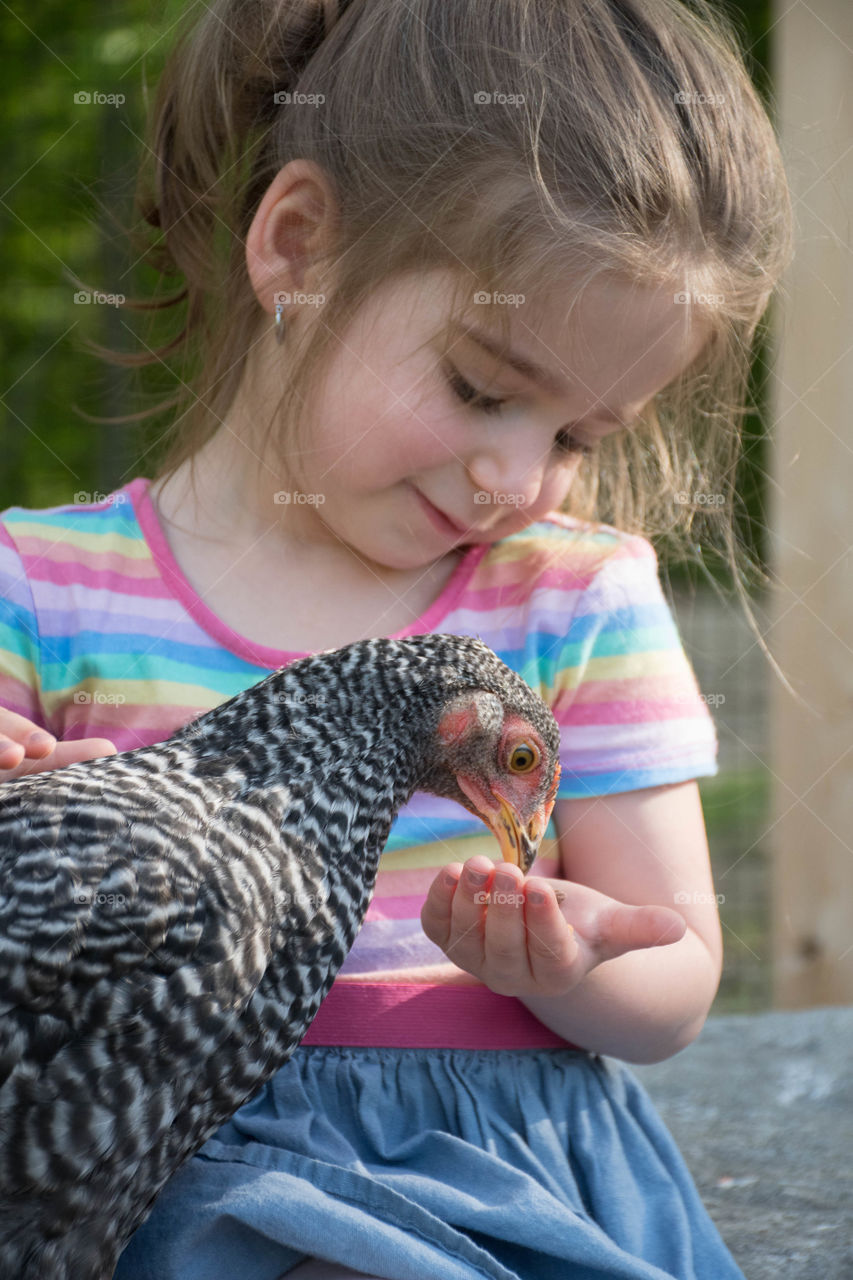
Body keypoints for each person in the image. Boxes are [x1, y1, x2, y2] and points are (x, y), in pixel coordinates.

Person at [0, 0, 793, 1276]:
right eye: (484, 386)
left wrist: (573, 960)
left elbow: (678, 973)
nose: (517, 474)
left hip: (479, 1174)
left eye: (579, 435)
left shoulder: (571, 604)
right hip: (146, 1170)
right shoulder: (49, 583)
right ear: (299, 250)